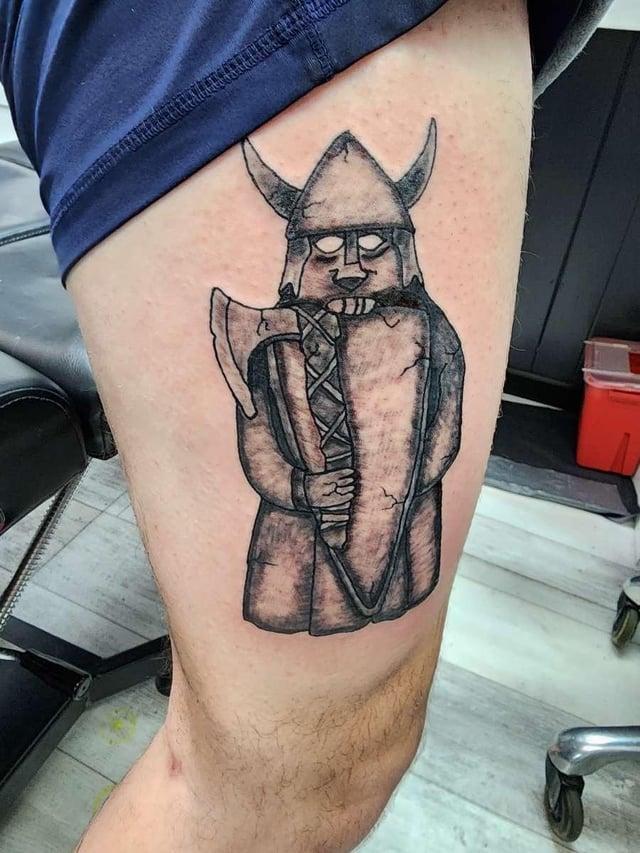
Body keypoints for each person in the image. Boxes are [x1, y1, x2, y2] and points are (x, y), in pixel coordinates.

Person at [0, 1, 613, 850]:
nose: (351, 265)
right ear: (299, 253)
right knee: (292, 768)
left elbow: (442, 418)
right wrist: (300, 486)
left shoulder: (428, 332)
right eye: (328, 248)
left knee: (312, 757)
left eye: (371, 245)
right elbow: (258, 437)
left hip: (395, 520)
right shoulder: (274, 343)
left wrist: (414, 477)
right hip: (298, 527)